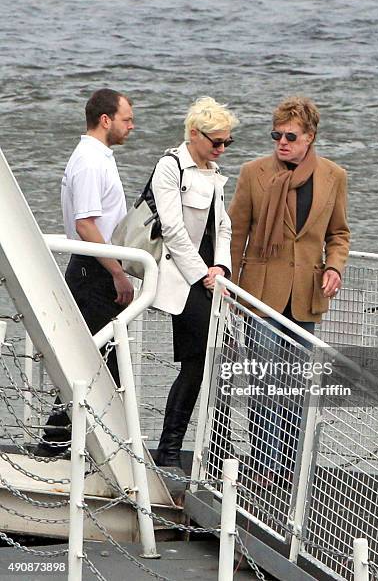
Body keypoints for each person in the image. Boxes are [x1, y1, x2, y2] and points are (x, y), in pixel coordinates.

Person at [228, 95, 350, 483]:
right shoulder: (254, 173)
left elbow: (339, 233)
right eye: (276, 135)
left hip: (307, 293)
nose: (282, 142)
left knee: (296, 382)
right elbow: (236, 232)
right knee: (264, 381)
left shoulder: (333, 176)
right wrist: (230, 284)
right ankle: (264, 466)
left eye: (290, 136)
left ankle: (291, 467)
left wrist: (334, 267)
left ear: (309, 137)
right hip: (260, 293)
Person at [35, 88, 135, 457]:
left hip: (92, 268)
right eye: (127, 119)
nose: (132, 126)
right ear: (105, 120)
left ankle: (80, 447)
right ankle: (68, 448)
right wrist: (118, 273)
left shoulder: (95, 157)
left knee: (98, 364)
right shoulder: (91, 161)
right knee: (98, 365)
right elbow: (86, 226)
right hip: (92, 270)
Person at [152, 96, 239, 468]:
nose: (221, 149)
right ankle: (173, 449)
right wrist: (201, 274)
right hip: (183, 277)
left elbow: (223, 226)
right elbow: (171, 229)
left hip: (209, 280)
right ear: (193, 133)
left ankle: (209, 451)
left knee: (211, 359)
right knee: (205, 356)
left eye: (226, 143)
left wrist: (221, 267)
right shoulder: (170, 167)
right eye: (215, 141)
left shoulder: (213, 173)